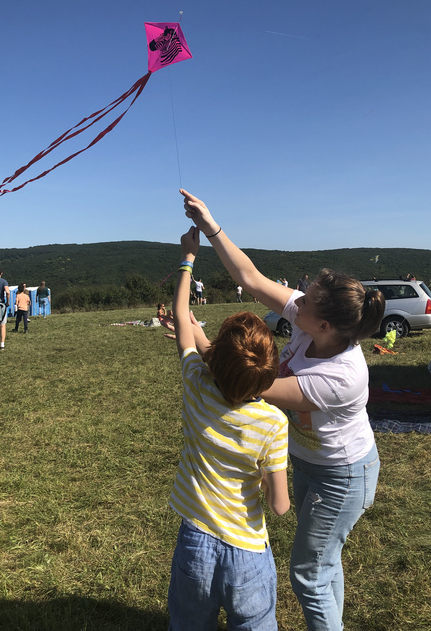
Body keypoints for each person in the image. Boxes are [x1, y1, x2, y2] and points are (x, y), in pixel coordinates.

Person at [181, 189, 385, 631]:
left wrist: (196, 337)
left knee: (309, 575)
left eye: (306, 302)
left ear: (325, 325)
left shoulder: (342, 376)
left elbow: (248, 381)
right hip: (310, 461)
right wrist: (212, 225)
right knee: (325, 564)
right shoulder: (314, 321)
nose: (297, 302)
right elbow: (251, 278)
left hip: (343, 473)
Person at [167, 226, 290, 630]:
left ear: (215, 359)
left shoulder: (197, 386)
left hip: (194, 543)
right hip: (248, 554)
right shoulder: (273, 423)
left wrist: (189, 259)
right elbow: (279, 505)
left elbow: (184, 320)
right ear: (268, 375)